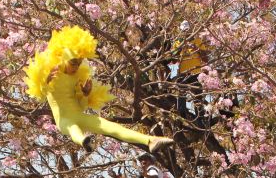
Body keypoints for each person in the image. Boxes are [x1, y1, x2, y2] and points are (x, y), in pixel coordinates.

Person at [24, 25, 173, 155]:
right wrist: (46, 80)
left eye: (79, 63)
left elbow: (81, 106)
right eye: (73, 63)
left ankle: (151, 140)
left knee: (111, 127)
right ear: (63, 58)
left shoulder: (77, 77)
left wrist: (85, 94)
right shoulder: (50, 73)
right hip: (64, 120)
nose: (76, 67)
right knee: (73, 129)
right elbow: (40, 94)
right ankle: (84, 141)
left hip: (79, 115)